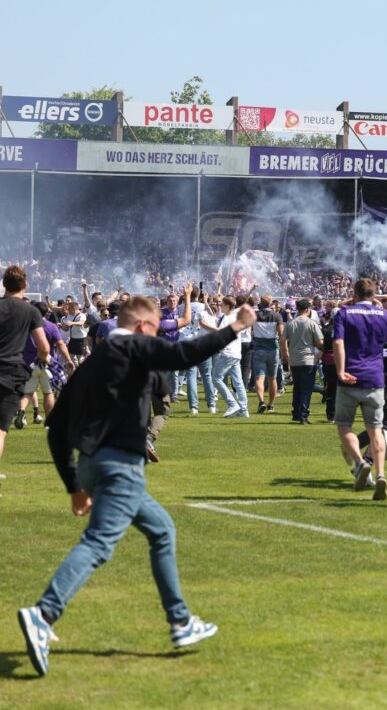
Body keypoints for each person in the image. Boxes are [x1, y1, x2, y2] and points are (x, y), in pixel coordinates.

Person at [17, 294, 257, 677]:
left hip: (94, 465)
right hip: (121, 465)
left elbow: (57, 429)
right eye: (157, 327)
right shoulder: (134, 344)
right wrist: (236, 327)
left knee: (162, 529)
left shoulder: (92, 362)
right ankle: (43, 614)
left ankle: (180, 622)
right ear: (144, 327)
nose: (159, 335)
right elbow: (183, 356)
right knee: (98, 542)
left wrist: (75, 484)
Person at [334, 278, 387, 501]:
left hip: (350, 379)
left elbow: (338, 343)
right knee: (376, 430)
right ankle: (381, 474)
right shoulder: (386, 316)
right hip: (375, 379)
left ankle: (361, 462)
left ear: (354, 293)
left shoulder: (344, 314)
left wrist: (341, 370)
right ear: (374, 295)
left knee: (344, 427)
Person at [1, 266, 51, 485]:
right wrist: (44, 358)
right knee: (1, 428)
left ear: (4, 284)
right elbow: (44, 346)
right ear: (25, 285)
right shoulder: (30, 311)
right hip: (11, 372)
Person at [282, 298, 324, 424]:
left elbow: (283, 339)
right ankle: (303, 414)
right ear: (307, 309)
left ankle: (296, 412)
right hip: (308, 359)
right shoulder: (311, 323)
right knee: (306, 388)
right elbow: (320, 342)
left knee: (297, 387)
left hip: (294, 359)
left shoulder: (290, 323)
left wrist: (285, 354)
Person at [251, 295, 284, 414]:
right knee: (272, 379)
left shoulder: (255, 315)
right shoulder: (277, 316)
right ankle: (271, 404)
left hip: (258, 349)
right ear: (271, 303)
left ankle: (261, 401)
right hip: (273, 349)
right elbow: (281, 334)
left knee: (259, 378)